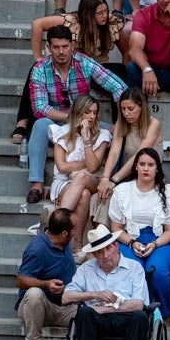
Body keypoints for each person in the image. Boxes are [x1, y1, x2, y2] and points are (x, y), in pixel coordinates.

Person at [25, 26, 127, 204]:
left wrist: (119, 121)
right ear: (48, 47)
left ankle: (110, 180)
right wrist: (71, 119)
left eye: (65, 46)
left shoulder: (84, 62)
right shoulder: (40, 69)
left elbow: (118, 87)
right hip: (59, 122)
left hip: (87, 120)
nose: (61, 51)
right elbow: (40, 108)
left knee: (116, 132)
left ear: (72, 45)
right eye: (56, 47)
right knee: (40, 124)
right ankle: (37, 184)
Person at [11, 0, 129, 144]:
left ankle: (119, 122)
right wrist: (38, 57)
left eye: (106, 11)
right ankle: (22, 122)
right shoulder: (70, 21)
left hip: (93, 66)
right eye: (99, 13)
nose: (104, 15)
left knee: (121, 73)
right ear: (87, 14)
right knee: (37, 69)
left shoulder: (111, 23)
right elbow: (37, 24)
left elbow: (127, 51)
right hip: (69, 66)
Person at [62, 225, 151, 340]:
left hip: (126, 319)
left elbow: (139, 303)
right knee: (84, 313)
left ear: (116, 246)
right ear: (94, 254)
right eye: (99, 252)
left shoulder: (134, 268)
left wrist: (105, 309)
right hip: (96, 321)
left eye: (108, 249)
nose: (105, 256)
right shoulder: (87, 268)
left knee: (140, 316)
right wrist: (94, 294)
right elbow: (66, 297)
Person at [109, 146, 170, 317]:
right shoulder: (122, 191)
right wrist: (132, 243)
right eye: (142, 164)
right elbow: (116, 228)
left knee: (158, 271)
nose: (146, 169)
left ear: (157, 168)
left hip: (161, 241)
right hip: (128, 239)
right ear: (135, 167)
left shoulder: (168, 191)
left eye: (150, 165)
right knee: (134, 269)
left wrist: (154, 244)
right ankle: (135, 315)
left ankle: (166, 315)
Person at [15, 207, 77, 340]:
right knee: (34, 294)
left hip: (66, 305)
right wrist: (46, 284)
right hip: (41, 307)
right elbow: (20, 280)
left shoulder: (63, 242)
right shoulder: (37, 249)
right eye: (74, 229)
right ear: (64, 234)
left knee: (90, 312)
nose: (76, 232)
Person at [48, 95, 111, 238]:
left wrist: (86, 138)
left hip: (93, 180)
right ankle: (77, 248)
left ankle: (56, 226)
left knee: (82, 176)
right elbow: (62, 167)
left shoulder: (103, 135)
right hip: (63, 182)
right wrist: (87, 164)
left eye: (95, 113)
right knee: (84, 195)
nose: (91, 117)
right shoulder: (62, 132)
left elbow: (93, 168)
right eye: (87, 112)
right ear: (78, 112)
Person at [98, 88, 164, 211]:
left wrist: (113, 180)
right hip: (129, 176)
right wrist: (106, 177)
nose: (126, 113)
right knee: (99, 198)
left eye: (130, 109)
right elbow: (114, 152)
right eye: (123, 109)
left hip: (149, 176)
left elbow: (140, 154)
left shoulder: (153, 123)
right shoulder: (121, 123)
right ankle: (102, 230)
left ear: (141, 107)